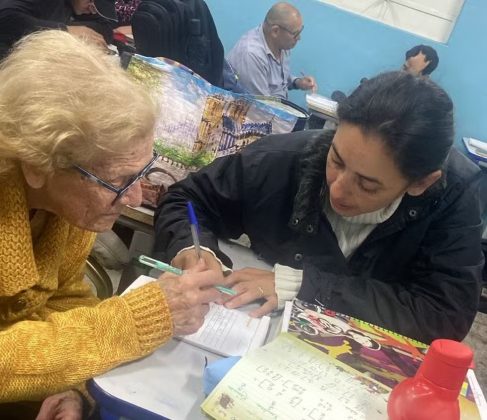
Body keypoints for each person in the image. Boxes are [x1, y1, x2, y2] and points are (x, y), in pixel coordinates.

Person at [154, 71, 484, 345]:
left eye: (367, 184)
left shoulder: (452, 198)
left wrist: (301, 286)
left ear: (419, 184)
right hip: (253, 340)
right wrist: (192, 248)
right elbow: (187, 199)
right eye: (336, 160)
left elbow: (443, 315)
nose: (338, 189)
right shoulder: (284, 159)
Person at [0, 30, 223, 418]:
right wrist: (133, 321)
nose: (135, 199)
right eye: (117, 182)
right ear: (38, 164)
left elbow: (65, 299)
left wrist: (73, 387)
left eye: (142, 174)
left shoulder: (67, 209)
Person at [225, 2, 316, 99]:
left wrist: (297, 82)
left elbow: (278, 82)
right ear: (275, 31)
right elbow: (262, 107)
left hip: (273, 107)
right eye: (295, 34)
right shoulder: (251, 54)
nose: (299, 38)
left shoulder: (281, 45)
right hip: (254, 110)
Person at [0, 0, 118, 59]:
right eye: (92, 2)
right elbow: (6, 17)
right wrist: (65, 30)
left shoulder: (76, 5)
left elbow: (107, 30)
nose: (93, 10)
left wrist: (80, 30)